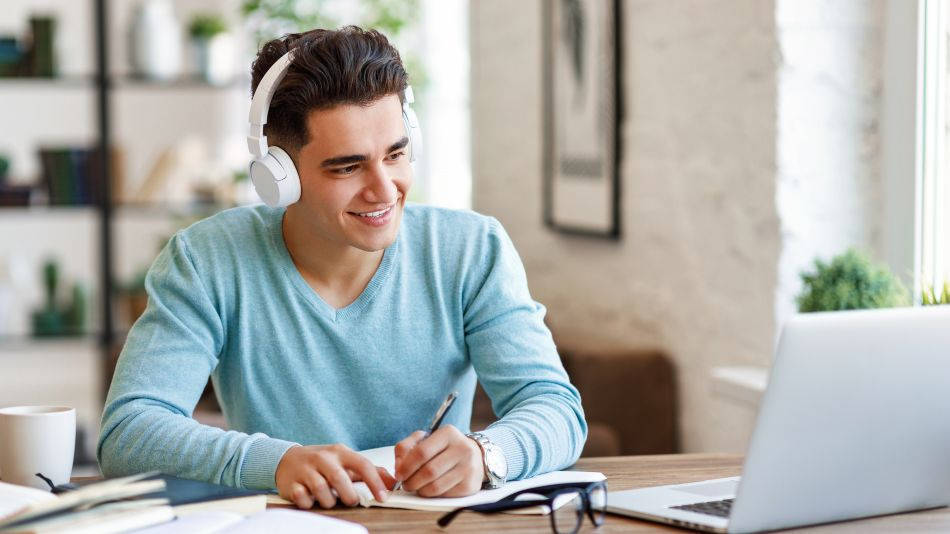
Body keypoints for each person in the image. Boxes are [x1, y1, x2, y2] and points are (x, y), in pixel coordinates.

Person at [97, 26, 587, 510]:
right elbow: (130, 432)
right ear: (279, 177)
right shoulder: (206, 261)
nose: (384, 188)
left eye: (396, 154)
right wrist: (278, 462)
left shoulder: (472, 249)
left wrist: (487, 454)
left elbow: (555, 407)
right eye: (347, 167)